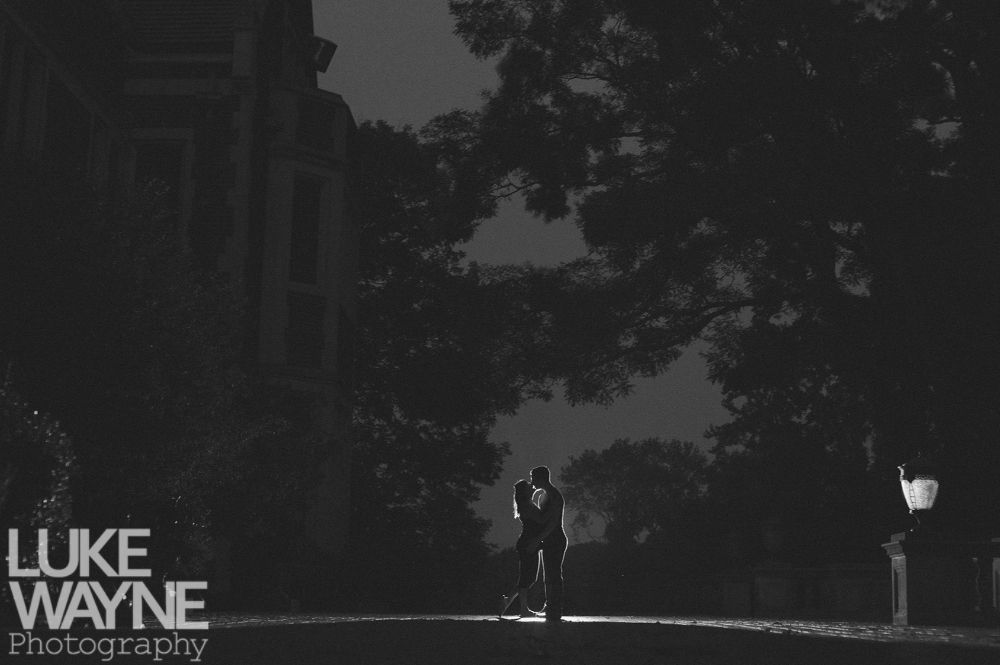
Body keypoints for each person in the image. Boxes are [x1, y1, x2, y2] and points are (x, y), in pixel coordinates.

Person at [523, 465, 567, 621]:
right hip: (548, 538)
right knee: (548, 574)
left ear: (541, 478)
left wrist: (538, 538)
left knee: (553, 574)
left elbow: (553, 522)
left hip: (555, 538)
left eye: (533, 478)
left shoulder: (554, 496)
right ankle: (551, 607)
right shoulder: (545, 495)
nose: (532, 481)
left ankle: (554, 610)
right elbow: (542, 519)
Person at [499, 479, 545, 618]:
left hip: (530, 543)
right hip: (528, 544)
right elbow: (541, 519)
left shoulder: (527, 504)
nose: (532, 486)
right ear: (524, 492)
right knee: (527, 577)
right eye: (528, 486)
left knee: (529, 577)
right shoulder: (526, 505)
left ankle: (508, 600)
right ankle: (523, 609)